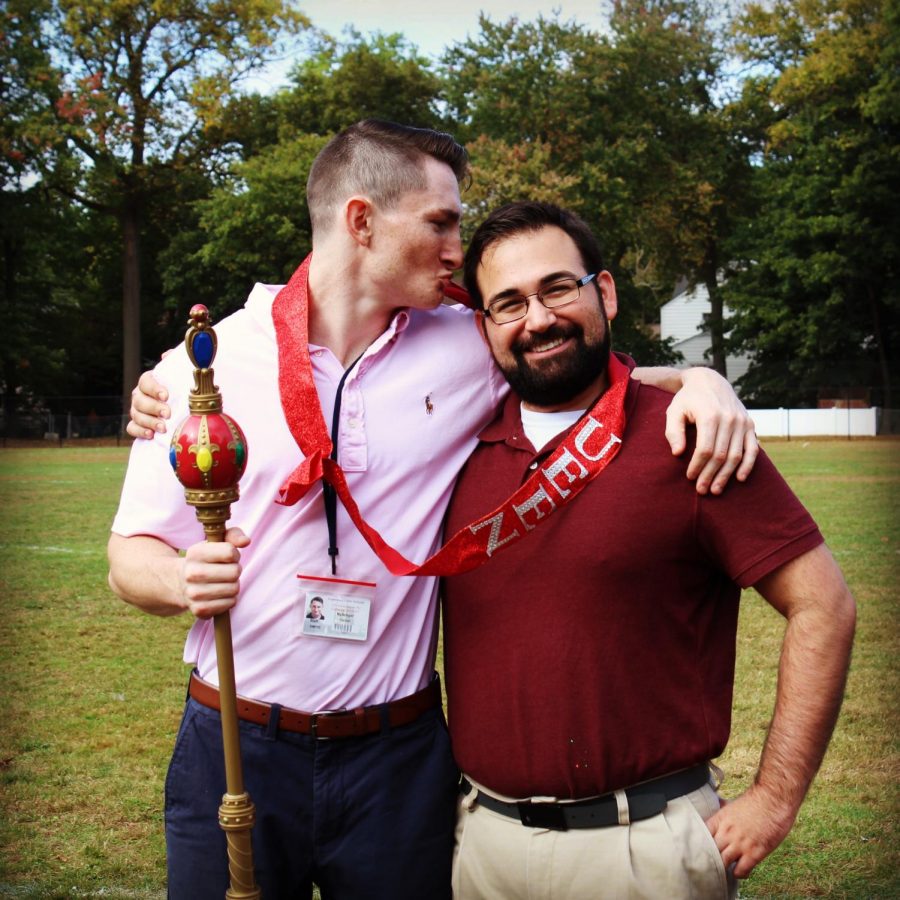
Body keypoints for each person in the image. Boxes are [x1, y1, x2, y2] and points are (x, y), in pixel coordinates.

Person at [111, 120, 757, 899]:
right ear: (361, 221)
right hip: (235, 742)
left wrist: (700, 381)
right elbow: (130, 555)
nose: (460, 250)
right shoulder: (201, 367)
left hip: (397, 757)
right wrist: (182, 579)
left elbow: (585, 374)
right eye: (441, 222)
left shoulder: (466, 344)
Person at [441, 201, 856, 899]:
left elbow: (825, 607)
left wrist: (776, 798)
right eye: (508, 303)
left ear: (603, 291)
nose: (537, 319)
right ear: (484, 328)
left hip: (642, 853)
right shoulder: (453, 448)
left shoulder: (692, 434)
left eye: (557, 288)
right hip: (484, 847)